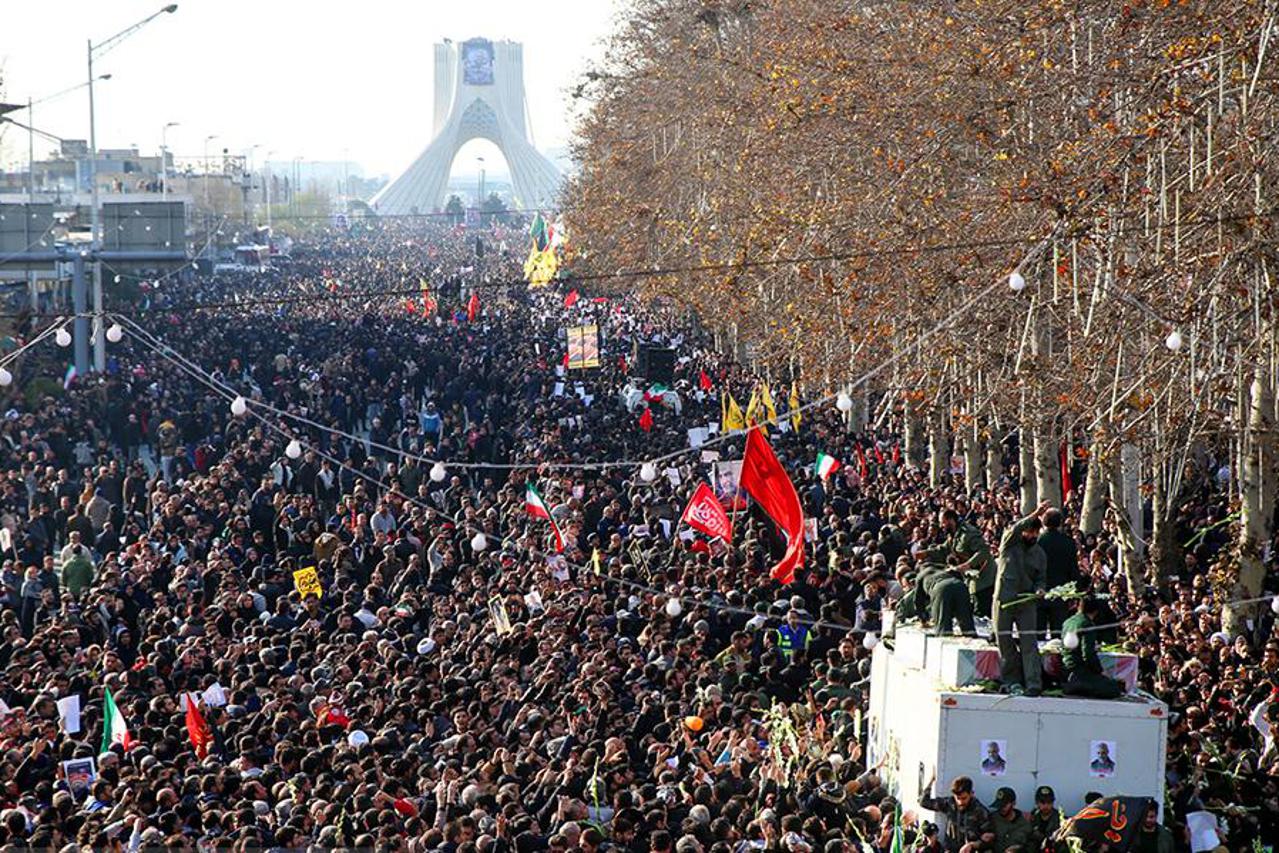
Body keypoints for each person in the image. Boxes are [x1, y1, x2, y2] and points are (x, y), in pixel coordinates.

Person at [993, 501, 1050, 696]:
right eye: (1029, 532)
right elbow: (1014, 529)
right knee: (1004, 641)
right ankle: (1011, 680)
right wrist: (1035, 513)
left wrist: (1040, 589)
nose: (1032, 536)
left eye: (1036, 533)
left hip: (1026, 602)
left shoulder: (1040, 554)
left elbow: (1041, 578)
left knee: (1029, 642)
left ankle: (1033, 683)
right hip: (1004, 600)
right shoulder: (1009, 544)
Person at [931, 509, 995, 619]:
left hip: (983, 579)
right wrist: (927, 553)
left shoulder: (968, 533)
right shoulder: (954, 534)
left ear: (951, 520)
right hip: (970, 577)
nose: (941, 526)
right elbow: (945, 548)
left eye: (943, 522)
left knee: (982, 613)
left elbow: (983, 551)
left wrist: (967, 565)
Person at [1060, 597, 1124, 699]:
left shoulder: (1068, 622)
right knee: (1115, 688)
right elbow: (1087, 654)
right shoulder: (1087, 624)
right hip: (1079, 670)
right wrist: (1099, 671)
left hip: (1065, 668)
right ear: (1096, 612)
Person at [919, 773, 995, 853]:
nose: (960, 802)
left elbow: (990, 838)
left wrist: (972, 845)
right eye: (958, 798)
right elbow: (924, 802)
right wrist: (931, 781)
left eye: (964, 798)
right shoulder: (950, 804)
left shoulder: (980, 811)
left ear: (971, 794)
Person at [1037, 508, 1080, 636]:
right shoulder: (1068, 542)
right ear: (1060, 522)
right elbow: (1073, 569)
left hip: (1040, 591)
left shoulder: (1038, 541)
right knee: (1058, 633)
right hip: (1061, 592)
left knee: (1038, 633)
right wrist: (1075, 591)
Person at [988, 787, 1032, 853]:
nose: (1001, 808)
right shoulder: (992, 819)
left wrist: (1019, 850)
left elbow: (1032, 846)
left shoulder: (1025, 824)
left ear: (1013, 803)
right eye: (999, 805)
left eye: (1004, 805)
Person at [1026, 786, 1062, 852]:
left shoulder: (1060, 818)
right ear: (1037, 803)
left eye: (1049, 802)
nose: (1046, 805)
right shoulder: (1031, 817)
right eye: (1043, 802)